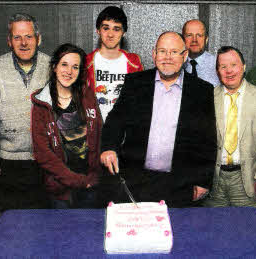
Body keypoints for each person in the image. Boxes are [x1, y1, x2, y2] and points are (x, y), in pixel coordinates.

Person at [99, 32, 217, 208]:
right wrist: (108, 148)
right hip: (137, 181)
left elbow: (207, 140)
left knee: (179, 233)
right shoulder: (135, 83)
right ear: (154, 54)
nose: (167, 58)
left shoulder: (202, 90)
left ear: (184, 56)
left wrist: (203, 180)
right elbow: (115, 120)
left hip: (180, 184)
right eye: (162, 51)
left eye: (174, 52)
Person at [0, 13, 50, 209]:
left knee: (46, 222)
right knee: (14, 223)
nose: (23, 43)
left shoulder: (52, 66)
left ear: (39, 39)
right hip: (9, 161)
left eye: (29, 36)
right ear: (9, 41)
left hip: (46, 159)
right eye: (17, 37)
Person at [204, 46, 256, 209]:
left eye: (234, 65)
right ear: (217, 71)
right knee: (214, 228)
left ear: (244, 67)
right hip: (214, 181)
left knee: (248, 230)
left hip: (248, 180)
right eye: (223, 67)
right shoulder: (207, 97)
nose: (229, 71)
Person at [31, 44, 103, 209]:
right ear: (55, 67)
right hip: (60, 190)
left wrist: (94, 177)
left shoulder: (87, 95)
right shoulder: (41, 104)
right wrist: (76, 180)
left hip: (90, 186)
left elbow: (99, 134)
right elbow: (42, 153)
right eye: (64, 64)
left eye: (75, 67)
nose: (69, 71)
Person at [86, 6, 143, 121]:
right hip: (95, 130)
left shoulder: (134, 63)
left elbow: (140, 101)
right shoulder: (86, 63)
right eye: (106, 28)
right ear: (98, 31)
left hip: (125, 132)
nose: (110, 34)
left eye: (116, 29)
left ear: (124, 33)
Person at [182, 19, 220, 87]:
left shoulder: (218, 64)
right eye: (189, 35)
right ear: (183, 39)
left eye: (199, 35)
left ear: (206, 39)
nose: (194, 40)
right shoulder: (175, 64)